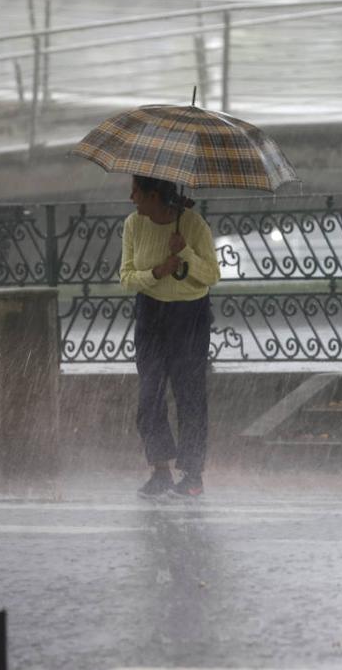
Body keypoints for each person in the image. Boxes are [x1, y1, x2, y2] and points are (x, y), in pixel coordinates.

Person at [120, 175, 221, 499]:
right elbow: (126, 277)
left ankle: (192, 474)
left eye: (136, 192)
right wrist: (157, 273)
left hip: (188, 317)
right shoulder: (134, 225)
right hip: (150, 315)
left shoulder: (193, 225)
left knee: (189, 395)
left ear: (154, 195)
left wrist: (187, 254)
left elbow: (212, 276)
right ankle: (160, 471)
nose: (131, 197)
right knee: (150, 395)